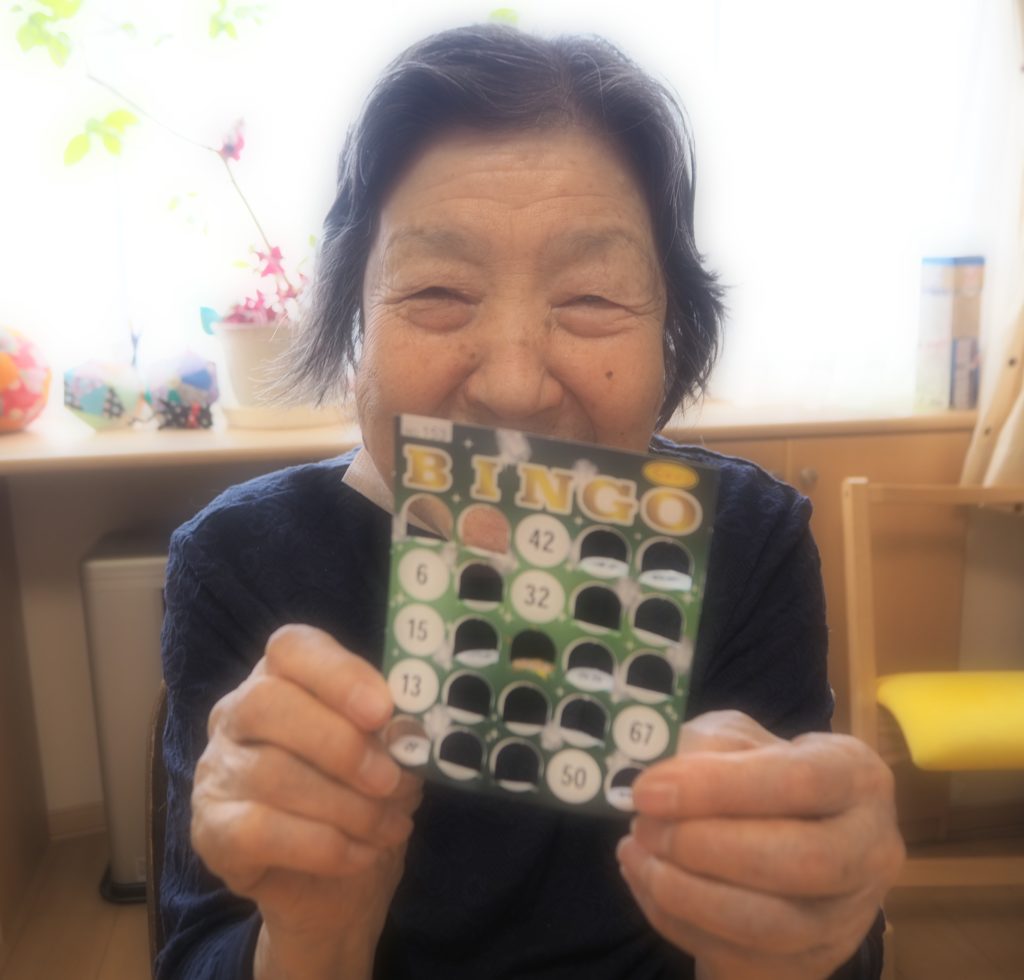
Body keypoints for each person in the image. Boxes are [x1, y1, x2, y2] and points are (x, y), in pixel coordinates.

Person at [158, 23, 905, 980]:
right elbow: (197, 950)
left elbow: (826, 951)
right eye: (437, 290)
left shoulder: (750, 542)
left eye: (592, 298)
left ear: (672, 334)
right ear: (355, 328)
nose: (513, 387)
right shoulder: (241, 561)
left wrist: (798, 923)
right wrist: (312, 933)